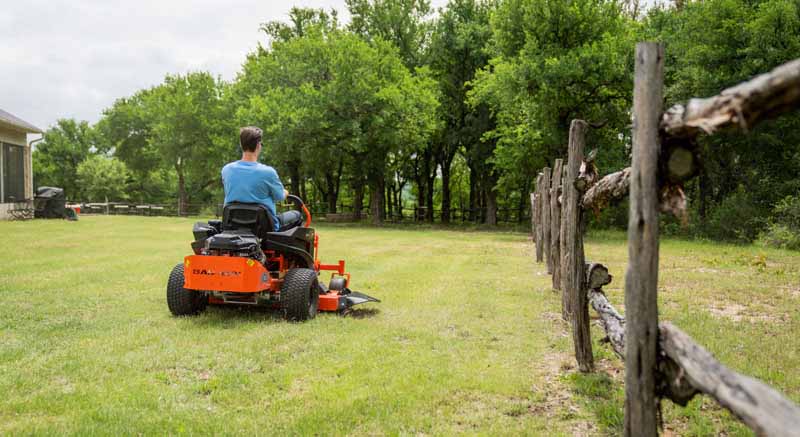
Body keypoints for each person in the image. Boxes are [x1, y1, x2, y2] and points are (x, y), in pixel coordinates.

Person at [221, 126, 302, 231]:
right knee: (297, 215)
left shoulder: (227, 170)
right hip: (264, 227)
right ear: (259, 145)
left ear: (241, 145)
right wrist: (285, 192)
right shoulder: (268, 172)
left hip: (232, 225)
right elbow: (279, 197)